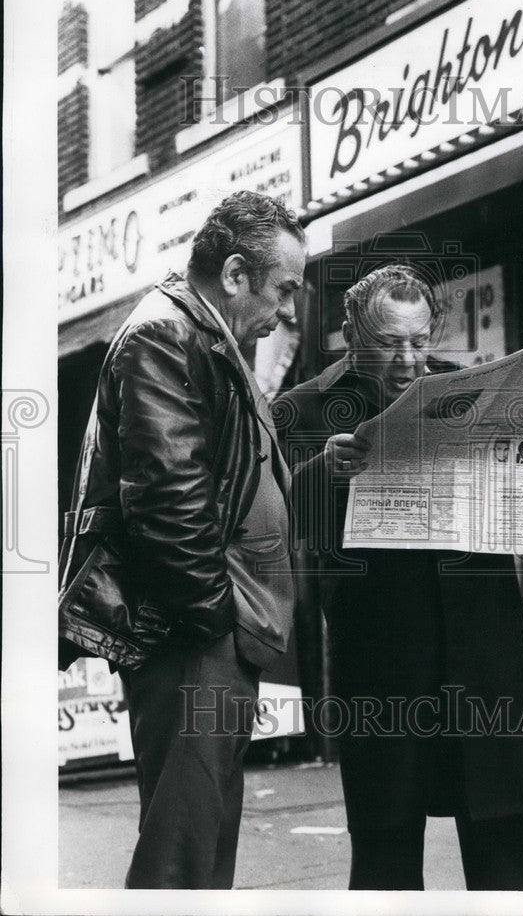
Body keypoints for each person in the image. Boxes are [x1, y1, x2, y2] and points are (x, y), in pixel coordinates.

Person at [275, 264, 523, 891]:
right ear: (349, 334)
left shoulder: (471, 391)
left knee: (507, 840)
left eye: (419, 341)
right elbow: (276, 517)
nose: (408, 359)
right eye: (389, 342)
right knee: (386, 846)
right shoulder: (303, 407)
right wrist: (322, 471)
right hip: (383, 659)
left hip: (483, 647)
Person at [57, 191, 306, 889]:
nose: (289, 310)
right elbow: (169, 495)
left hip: (213, 635)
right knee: (181, 856)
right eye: (284, 289)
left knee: (200, 844)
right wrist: (212, 619)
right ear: (234, 274)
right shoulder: (168, 335)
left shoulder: (202, 337)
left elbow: (222, 484)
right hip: (195, 640)